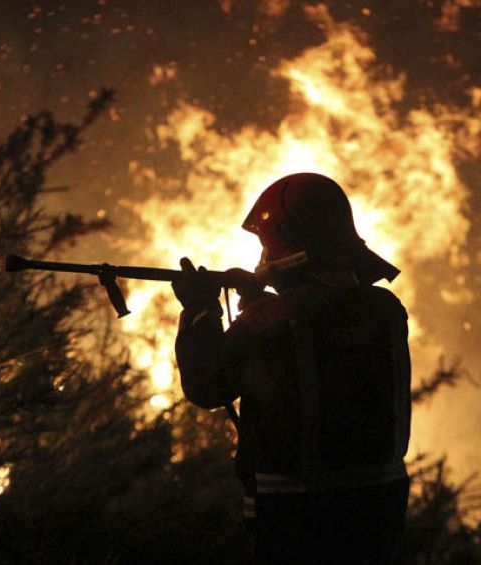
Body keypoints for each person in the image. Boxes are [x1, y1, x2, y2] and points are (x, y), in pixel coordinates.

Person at [173, 173, 410, 564]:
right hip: (380, 508)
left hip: (297, 515)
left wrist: (200, 310)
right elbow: (316, 339)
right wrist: (256, 299)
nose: (263, 258)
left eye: (267, 246)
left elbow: (206, 384)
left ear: (290, 242)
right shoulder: (385, 309)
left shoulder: (271, 320)